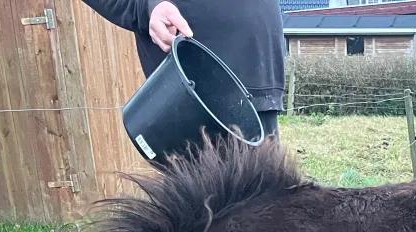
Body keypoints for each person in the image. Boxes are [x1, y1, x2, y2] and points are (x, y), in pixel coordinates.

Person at [82, 0, 285, 138]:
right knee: (207, 198)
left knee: (269, 196)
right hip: (193, 89)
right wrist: (145, 7)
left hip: (261, 71)